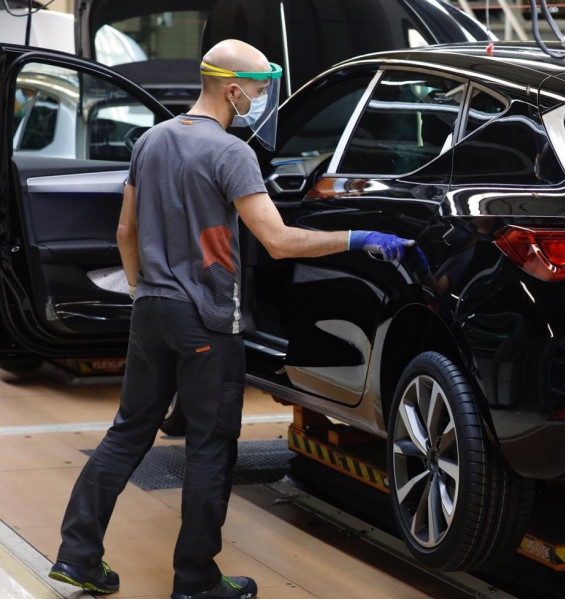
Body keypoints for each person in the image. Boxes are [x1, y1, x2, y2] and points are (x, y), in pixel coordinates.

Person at [47, 39, 411, 599]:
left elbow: (125, 233)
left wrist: (147, 290)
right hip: (208, 323)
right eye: (261, 88)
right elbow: (279, 240)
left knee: (126, 433)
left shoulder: (152, 140)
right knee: (211, 450)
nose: (263, 98)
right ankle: (196, 582)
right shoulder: (230, 153)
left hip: (151, 313)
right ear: (232, 88)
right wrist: (359, 238)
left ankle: (77, 556)